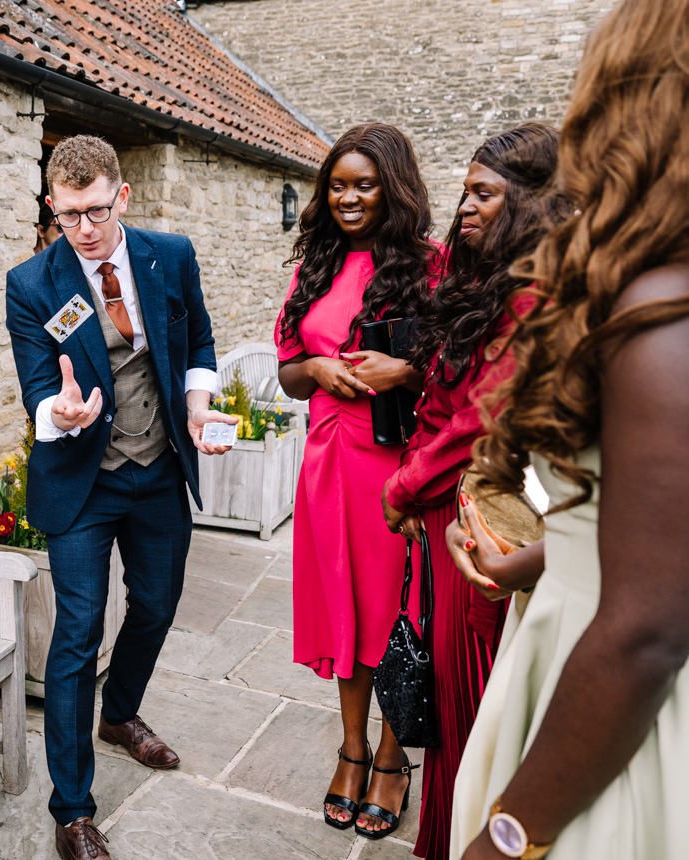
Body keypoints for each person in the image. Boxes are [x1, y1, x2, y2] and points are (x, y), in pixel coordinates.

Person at [449, 1, 689, 856]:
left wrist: (510, 836)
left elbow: (648, 627)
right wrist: (540, 557)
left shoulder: (660, 316)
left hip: (610, 700)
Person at [5, 135, 236, 860]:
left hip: (159, 467)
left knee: (159, 604)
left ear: (122, 197)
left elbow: (197, 341)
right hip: (83, 480)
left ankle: (122, 713)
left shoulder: (171, 255)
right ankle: (72, 808)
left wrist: (198, 408)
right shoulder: (31, 284)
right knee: (77, 636)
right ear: (54, 207)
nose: (85, 228)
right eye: (70, 214)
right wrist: (57, 416)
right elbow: (37, 387)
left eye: (97, 211)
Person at [380, 124, 569, 857]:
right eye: (464, 192)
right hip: (440, 513)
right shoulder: (489, 287)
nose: (465, 207)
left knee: (473, 699)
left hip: (477, 519)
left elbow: (477, 422)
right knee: (452, 692)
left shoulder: (535, 300)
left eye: (484, 193)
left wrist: (403, 484)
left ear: (530, 204)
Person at [273, 123, 436, 837]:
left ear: (392, 187)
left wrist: (403, 368)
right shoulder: (317, 261)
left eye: (363, 184)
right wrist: (314, 369)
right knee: (345, 612)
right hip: (327, 463)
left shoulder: (430, 267)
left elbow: (465, 366)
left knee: (398, 614)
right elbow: (286, 371)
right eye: (337, 185)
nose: (347, 197)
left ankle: (395, 758)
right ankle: (352, 747)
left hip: (397, 467)